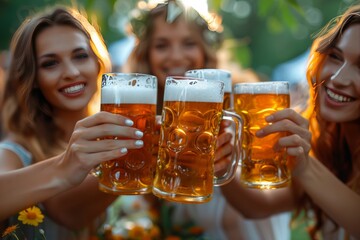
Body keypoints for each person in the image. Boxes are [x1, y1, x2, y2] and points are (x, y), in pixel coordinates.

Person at [105, 1, 291, 239]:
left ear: (206, 48)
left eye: (189, 43)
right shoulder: (146, 116)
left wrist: (223, 166)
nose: (176, 56)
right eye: (161, 45)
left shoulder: (245, 106)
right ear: (146, 54)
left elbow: (264, 205)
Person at [0, 5, 145, 239]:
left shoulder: (114, 137)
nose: (71, 72)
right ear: (33, 78)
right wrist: (64, 167)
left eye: (80, 56)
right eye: (50, 63)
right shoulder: (14, 153)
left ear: (98, 63)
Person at [221, 3, 360, 239]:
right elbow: (257, 206)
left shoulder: (316, 163)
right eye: (336, 57)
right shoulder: (331, 148)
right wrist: (223, 166)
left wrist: (307, 168)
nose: (338, 78)